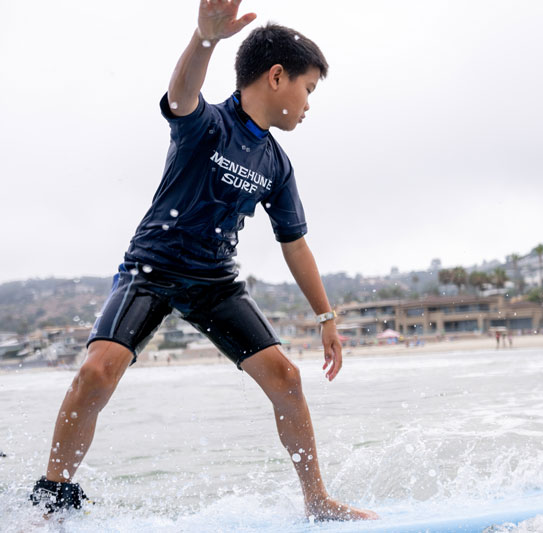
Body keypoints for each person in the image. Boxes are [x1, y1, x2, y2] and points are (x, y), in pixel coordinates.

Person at [29, 0, 377, 522]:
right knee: (99, 371)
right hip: (153, 268)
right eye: (308, 89)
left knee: (286, 378)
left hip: (215, 280)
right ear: (277, 77)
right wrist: (206, 40)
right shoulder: (207, 125)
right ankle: (52, 498)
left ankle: (317, 502)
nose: (308, 104)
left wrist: (326, 316)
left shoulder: (277, 164)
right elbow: (181, 94)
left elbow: (295, 242)